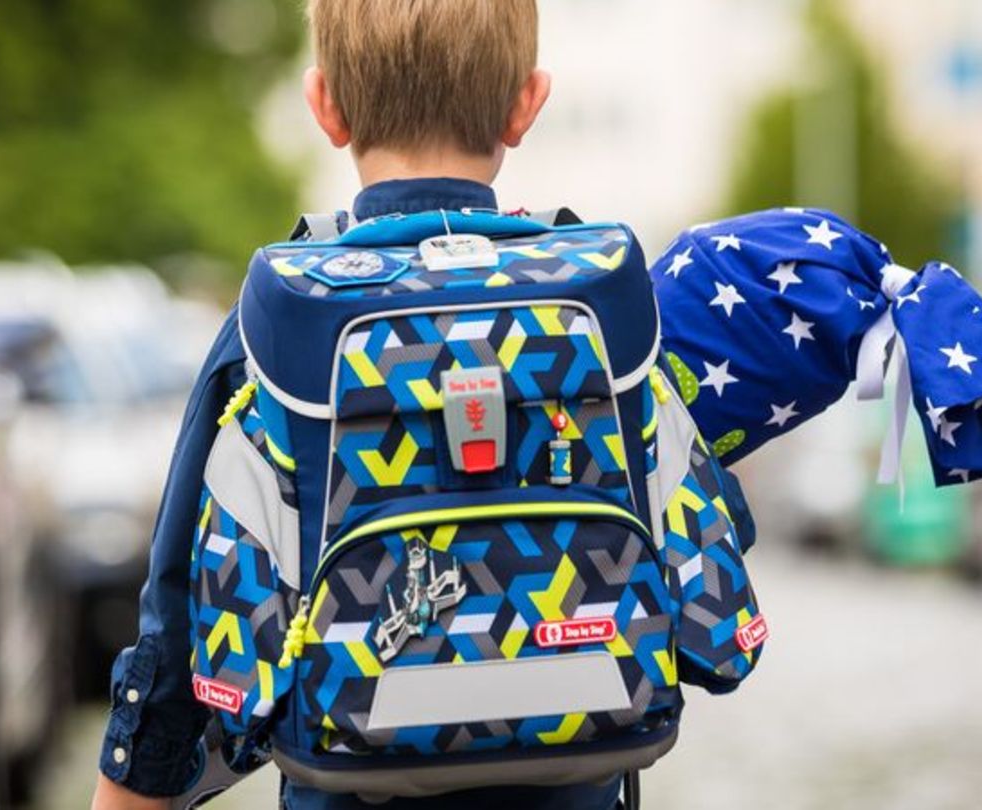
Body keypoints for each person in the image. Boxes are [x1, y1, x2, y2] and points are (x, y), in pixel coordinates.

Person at [90, 2, 624, 808]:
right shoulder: (597, 306)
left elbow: (178, 609)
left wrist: (137, 774)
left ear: (325, 106)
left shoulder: (285, 317)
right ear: (528, 103)